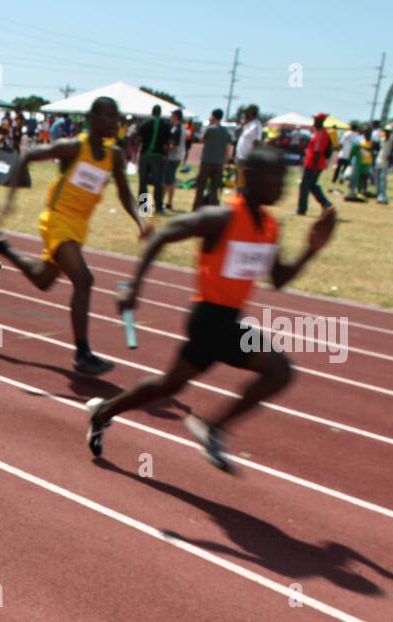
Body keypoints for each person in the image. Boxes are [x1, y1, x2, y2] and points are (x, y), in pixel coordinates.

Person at [86, 149, 336, 473]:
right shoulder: (223, 217)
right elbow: (164, 233)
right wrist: (135, 286)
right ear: (249, 176)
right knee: (279, 371)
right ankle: (213, 429)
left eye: (284, 178)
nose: (281, 185)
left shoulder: (271, 227)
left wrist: (310, 250)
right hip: (208, 319)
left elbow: (279, 279)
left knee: (169, 386)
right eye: (273, 177)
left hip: (226, 321)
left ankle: (104, 412)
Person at [0, 96, 150, 376]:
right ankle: (82, 353)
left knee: (44, 280)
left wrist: (140, 220)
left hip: (79, 226)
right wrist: (11, 198)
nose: (115, 122)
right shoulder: (74, 147)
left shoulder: (115, 155)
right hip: (57, 220)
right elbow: (28, 155)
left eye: (117, 117)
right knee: (84, 279)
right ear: (93, 118)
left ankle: (2, 246)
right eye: (109, 116)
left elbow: (123, 192)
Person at [296, 112, 333, 215]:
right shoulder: (318, 132)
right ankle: (327, 204)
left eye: (316, 119)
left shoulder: (321, 133)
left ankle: (301, 209)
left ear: (321, 121)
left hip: (314, 164)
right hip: (313, 163)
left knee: (305, 186)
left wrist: (313, 166)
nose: (314, 121)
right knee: (312, 186)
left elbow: (317, 151)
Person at [136, 103, 170, 214]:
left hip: (145, 155)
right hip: (158, 156)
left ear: (152, 112)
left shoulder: (145, 123)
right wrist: (166, 156)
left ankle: (144, 207)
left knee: (143, 181)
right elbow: (167, 143)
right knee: (158, 182)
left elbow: (139, 139)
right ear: (160, 113)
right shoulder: (165, 125)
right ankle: (159, 207)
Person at [194, 108, 228, 209]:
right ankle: (212, 209)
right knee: (214, 188)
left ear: (213, 116)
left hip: (207, 161)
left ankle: (197, 207)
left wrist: (209, 124)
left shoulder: (210, 128)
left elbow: (201, 139)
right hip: (219, 163)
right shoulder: (225, 131)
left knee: (201, 186)